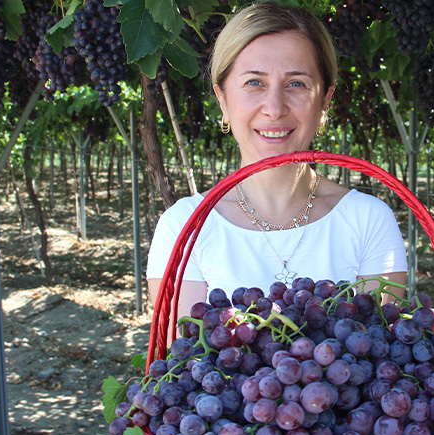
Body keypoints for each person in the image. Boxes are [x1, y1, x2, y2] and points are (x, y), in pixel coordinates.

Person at [146, 1, 407, 326]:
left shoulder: (369, 222)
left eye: (296, 84)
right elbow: (186, 365)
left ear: (324, 101)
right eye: (254, 82)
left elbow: (380, 356)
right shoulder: (183, 229)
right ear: (223, 100)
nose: (274, 107)